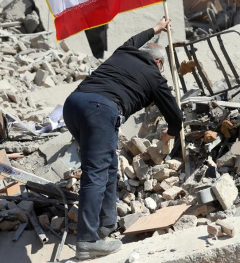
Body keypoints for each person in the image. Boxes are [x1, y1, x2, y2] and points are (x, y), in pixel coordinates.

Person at [63, 17, 183, 260]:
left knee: (108, 164)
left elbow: (136, 39)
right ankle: (87, 242)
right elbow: (176, 115)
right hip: (100, 110)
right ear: (158, 62)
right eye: (161, 66)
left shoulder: (125, 50)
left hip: (73, 105)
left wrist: (157, 27)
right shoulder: (154, 75)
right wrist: (169, 134)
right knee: (95, 171)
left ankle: (106, 224)